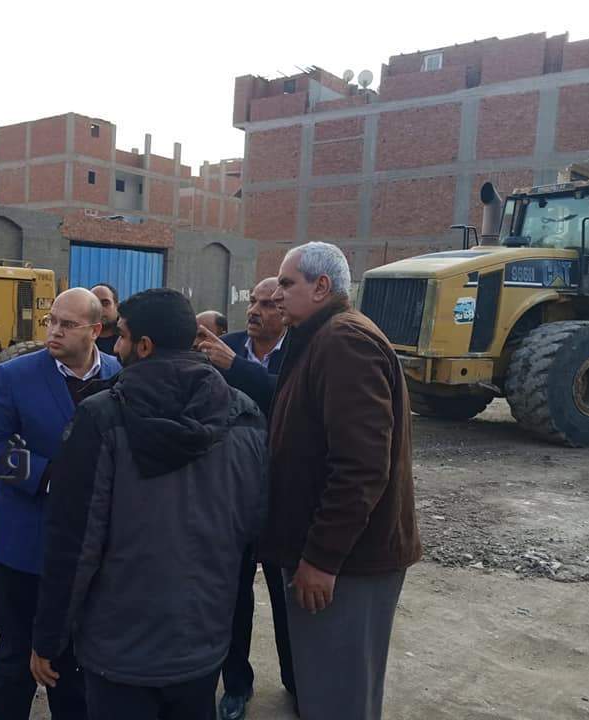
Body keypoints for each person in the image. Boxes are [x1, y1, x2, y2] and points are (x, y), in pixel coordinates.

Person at [30, 288, 268, 720]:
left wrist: (48, 638)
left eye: (121, 337)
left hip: (120, 652)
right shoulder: (246, 415)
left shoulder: (100, 419)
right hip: (203, 640)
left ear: (144, 346)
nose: (115, 348)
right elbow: (251, 532)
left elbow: (74, 543)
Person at [262, 241, 422, 720]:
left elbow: (361, 466)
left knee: (339, 696)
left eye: (286, 284)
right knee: (324, 687)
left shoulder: (343, 341)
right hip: (337, 558)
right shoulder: (322, 337)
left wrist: (322, 558)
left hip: (349, 564)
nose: (276, 295)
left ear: (321, 286)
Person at [0, 287, 121, 720]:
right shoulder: (15, 376)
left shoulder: (118, 374)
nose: (54, 331)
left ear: (96, 330)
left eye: (68, 324)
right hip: (27, 543)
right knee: (15, 652)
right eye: (51, 321)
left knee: (74, 656)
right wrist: (50, 476)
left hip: (89, 548)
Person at [196, 277, 295, 720]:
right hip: (231, 496)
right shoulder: (226, 346)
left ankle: (297, 680)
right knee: (231, 598)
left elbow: (292, 400)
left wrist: (236, 367)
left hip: (282, 499)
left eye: (268, 304)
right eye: (253, 301)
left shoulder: (301, 352)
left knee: (286, 598)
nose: (255, 310)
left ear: (285, 312)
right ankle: (236, 684)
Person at [90, 283, 119, 356]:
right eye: (93, 304)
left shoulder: (129, 339)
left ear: (117, 307)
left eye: (105, 303)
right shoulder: (79, 339)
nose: (99, 309)